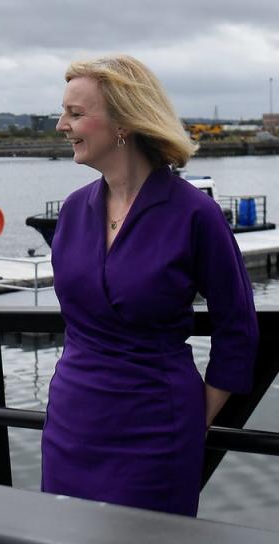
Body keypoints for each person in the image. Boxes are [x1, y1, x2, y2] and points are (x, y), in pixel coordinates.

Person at [41, 54, 259, 516]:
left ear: (124, 121)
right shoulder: (74, 210)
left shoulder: (193, 213)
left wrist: (197, 415)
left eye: (76, 113)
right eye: (63, 112)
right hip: (71, 422)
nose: (62, 125)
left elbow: (237, 326)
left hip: (157, 428)